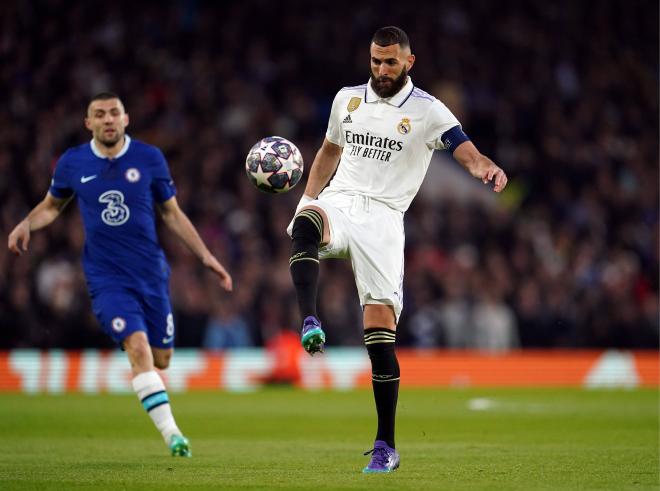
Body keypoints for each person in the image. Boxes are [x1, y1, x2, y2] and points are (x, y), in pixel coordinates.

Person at [287, 26, 507, 473]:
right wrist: (309, 199)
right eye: (375, 61)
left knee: (379, 335)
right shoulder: (346, 99)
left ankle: (386, 444)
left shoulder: (427, 109)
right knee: (307, 225)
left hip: (386, 221)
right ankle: (309, 318)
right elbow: (329, 152)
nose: (381, 70)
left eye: (390, 62)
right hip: (342, 201)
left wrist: (483, 165)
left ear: (409, 61)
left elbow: (461, 148)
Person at [7, 92, 233, 457]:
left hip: (151, 274)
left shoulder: (149, 158)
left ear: (126, 119)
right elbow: (52, 206)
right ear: (88, 123)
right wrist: (26, 224)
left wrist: (205, 255)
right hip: (106, 277)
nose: (108, 119)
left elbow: (171, 213)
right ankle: (174, 435)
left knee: (162, 359)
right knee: (139, 348)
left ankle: (149, 383)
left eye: (114, 113)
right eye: (100, 114)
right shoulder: (73, 162)